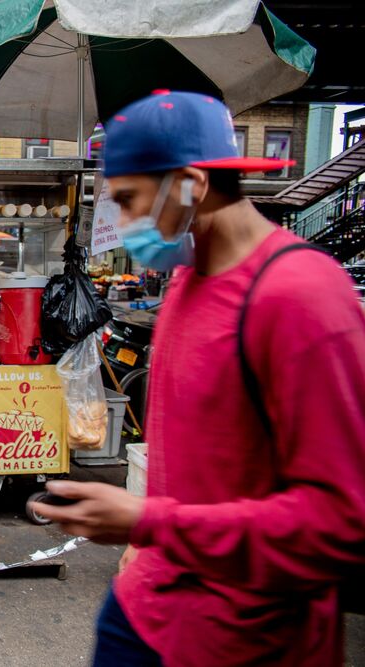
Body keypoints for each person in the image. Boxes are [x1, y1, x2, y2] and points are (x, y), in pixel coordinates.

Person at [33, 91, 365, 666]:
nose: (125, 226)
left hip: (241, 640)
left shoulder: (302, 296)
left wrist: (151, 521)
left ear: (190, 185)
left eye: (130, 201)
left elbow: (337, 522)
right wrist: (146, 539)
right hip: (145, 606)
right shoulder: (188, 280)